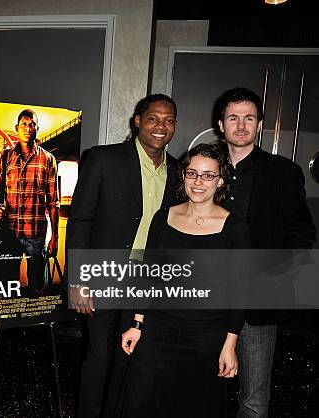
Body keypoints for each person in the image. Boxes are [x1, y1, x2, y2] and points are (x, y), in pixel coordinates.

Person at [67, 94, 179, 417]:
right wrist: (78, 280)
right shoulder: (104, 160)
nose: (161, 126)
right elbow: (80, 221)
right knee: (99, 359)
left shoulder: (176, 171)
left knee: (127, 359)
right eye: (154, 118)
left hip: (146, 282)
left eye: (169, 120)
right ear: (137, 121)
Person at [121, 143, 249, 417]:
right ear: (183, 176)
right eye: (192, 173)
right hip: (157, 330)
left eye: (208, 175)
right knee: (143, 403)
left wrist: (230, 344)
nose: (198, 182)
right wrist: (136, 324)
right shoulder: (163, 217)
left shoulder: (235, 227)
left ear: (221, 180)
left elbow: (239, 290)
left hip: (206, 337)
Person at [214, 87, 316, 418]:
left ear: (259, 125)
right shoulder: (203, 169)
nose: (241, 125)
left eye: (248, 118)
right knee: (199, 387)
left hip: (256, 303)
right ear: (220, 125)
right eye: (233, 118)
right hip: (206, 299)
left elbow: (301, 236)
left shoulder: (283, 172)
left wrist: (269, 277)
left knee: (254, 399)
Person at [0, 109, 59, 294]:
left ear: (37, 128)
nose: (28, 128)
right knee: (7, 286)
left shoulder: (48, 160)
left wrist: (55, 238)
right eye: (24, 124)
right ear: (17, 128)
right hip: (9, 233)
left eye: (32, 124)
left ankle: (36, 321)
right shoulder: (4, 158)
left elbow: (53, 202)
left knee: (37, 288)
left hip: (36, 234)